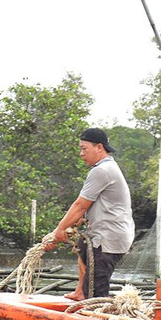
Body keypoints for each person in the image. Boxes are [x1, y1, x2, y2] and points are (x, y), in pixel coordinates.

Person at [41, 127, 134, 300]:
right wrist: (60, 231)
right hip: (108, 236)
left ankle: (98, 318)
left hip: (108, 240)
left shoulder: (102, 171)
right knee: (83, 246)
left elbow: (80, 206)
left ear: (99, 147)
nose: (81, 153)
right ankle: (80, 292)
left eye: (84, 148)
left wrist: (58, 232)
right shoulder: (106, 168)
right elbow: (84, 211)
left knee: (96, 293)